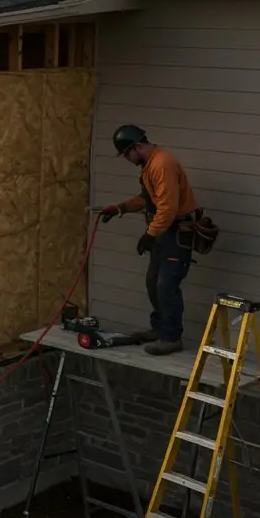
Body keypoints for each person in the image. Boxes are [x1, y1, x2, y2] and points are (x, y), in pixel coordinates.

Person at [98, 125, 200, 356]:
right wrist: (120, 208)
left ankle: (171, 338)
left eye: (126, 154)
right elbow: (148, 201)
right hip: (163, 232)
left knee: (167, 285)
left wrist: (149, 235)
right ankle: (160, 329)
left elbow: (168, 207)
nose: (126, 159)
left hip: (176, 233)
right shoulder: (149, 166)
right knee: (153, 282)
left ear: (137, 146)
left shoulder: (161, 164)